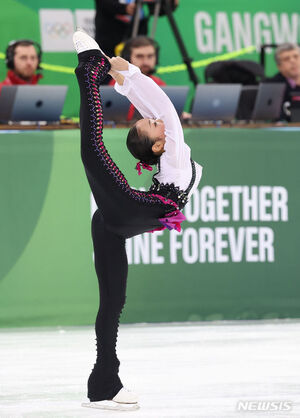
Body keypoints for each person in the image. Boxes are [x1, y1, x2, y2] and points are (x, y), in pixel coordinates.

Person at [73, 29, 203, 411]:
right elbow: (161, 105)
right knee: (92, 145)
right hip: (133, 210)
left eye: (150, 123)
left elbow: (154, 106)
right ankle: (87, 71)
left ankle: (103, 383)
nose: (156, 121)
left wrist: (122, 71)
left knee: (114, 302)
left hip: (121, 218)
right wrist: (123, 73)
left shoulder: (169, 158)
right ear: (161, 143)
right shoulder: (174, 152)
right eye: (152, 125)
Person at [94, 0, 179, 84]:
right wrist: (125, 8)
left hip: (138, 36)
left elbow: (155, 9)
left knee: (141, 78)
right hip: (109, 42)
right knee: (110, 81)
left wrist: (170, 3)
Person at [109, 35, 166, 121]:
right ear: (127, 58)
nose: (145, 62)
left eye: (150, 56)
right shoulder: (118, 82)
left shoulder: (159, 83)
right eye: (140, 56)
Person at [264, 43, 300, 121]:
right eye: (287, 59)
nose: (292, 61)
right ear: (279, 66)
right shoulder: (271, 87)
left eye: (296, 56)